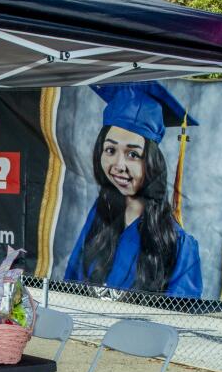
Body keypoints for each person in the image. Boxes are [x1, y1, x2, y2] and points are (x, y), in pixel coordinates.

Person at [64, 82, 203, 298]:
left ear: (152, 162)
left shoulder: (177, 243)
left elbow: (179, 318)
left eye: (133, 154)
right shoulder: (97, 221)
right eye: (110, 150)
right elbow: (69, 289)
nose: (118, 165)